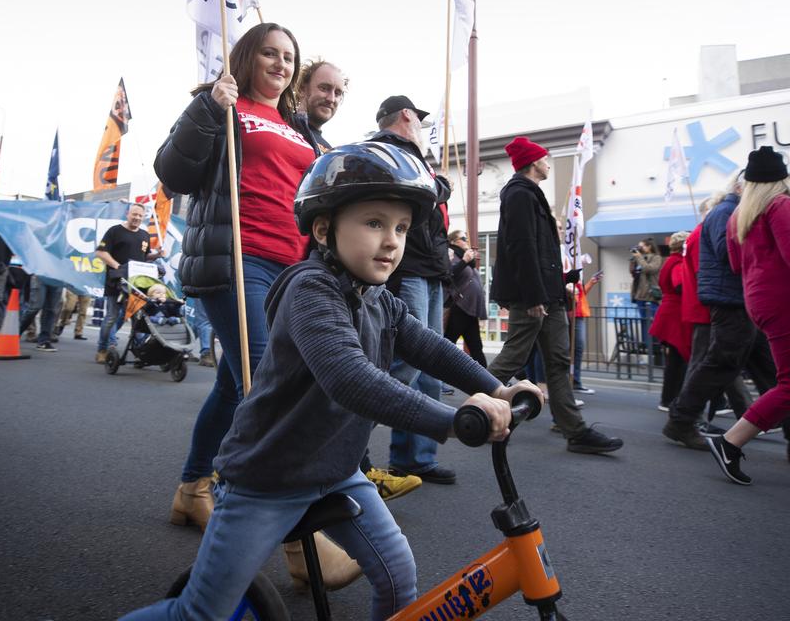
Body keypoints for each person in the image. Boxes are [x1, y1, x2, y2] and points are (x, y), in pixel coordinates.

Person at [119, 142, 543, 621]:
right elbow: (349, 378)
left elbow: (427, 346)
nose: (392, 241)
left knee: (399, 575)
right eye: (374, 223)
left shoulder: (380, 298)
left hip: (337, 472)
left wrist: (496, 388)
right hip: (267, 478)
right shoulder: (310, 288)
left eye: (401, 228)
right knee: (198, 614)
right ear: (324, 229)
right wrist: (453, 421)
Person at [154, 22, 352, 584]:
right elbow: (172, 173)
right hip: (238, 262)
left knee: (232, 382)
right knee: (273, 392)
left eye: (288, 56)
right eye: (269, 52)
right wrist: (209, 110)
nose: (281, 64)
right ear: (246, 57)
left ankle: (193, 488)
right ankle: (301, 545)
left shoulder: (296, 126)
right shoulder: (221, 103)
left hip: (293, 272)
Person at [488, 136, 623, 454]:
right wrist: (535, 295)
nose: (548, 163)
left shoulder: (528, 194)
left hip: (547, 295)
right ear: (534, 162)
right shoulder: (519, 194)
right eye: (545, 159)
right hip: (534, 297)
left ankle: (575, 431)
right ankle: (473, 401)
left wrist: (562, 278)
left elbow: (537, 251)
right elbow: (521, 247)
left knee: (558, 362)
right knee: (514, 357)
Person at [662, 169, 787, 450]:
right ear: (743, 188)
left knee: (769, 370)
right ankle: (681, 420)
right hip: (731, 300)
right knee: (721, 363)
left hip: (742, 299)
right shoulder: (726, 213)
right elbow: (727, 253)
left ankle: (682, 419)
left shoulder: (734, 211)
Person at [369, 95, 458, 485]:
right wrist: (436, 186)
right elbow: (408, 195)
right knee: (403, 365)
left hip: (429, 268)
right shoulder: (389, 150)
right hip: (410, 269)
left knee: (427, 367)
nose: (422, 127)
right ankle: (338, 443)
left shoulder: (412, 156)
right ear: (407, 116)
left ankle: (416, 457)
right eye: (418, 121)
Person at [706, 147, 790, 483]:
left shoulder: (737, 217)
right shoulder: (780, 205)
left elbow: (737, 264)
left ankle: (730, 441)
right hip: (783, 300)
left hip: (759, 301)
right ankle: (730, 442)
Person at [94, 202, 158, 362]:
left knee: (138, 319)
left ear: (143, 218)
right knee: (112, 317)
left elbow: (145, 256)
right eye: (134, 214)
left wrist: (157, 255)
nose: (136, 218)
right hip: (116, 283)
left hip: (137, 285)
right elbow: (101, 252)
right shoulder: (115, 231)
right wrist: (119, 267)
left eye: (140, 216)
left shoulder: (144, 235)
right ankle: (102, 349)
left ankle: (140, 353)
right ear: (128, 214)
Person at [649, 232, 692, 410]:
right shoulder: (678, 263)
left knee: (675, 361)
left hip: (671, 314)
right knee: (677, 361)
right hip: (675, 315)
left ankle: (669, 399)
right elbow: (680, 286)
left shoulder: (671, 261)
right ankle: (670, 400)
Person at [442, 230, 487, 368]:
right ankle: (435, 379)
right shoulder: (451, 255)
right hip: (460, 306)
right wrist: (464, 260)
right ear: (454, 241)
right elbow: (448, 274)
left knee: (476, 347)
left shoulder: (465, 258)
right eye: (463, 238)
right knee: (448, 344)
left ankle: (491, 383)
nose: (467, 240)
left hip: (470, 309)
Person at [295, 58, 347, 151]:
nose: (331, 99)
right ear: (302, 89)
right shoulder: (277, 127)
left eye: (337, 93)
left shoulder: (330, 152)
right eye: (324, 88)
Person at [569, 268, 602, 395]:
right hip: (575, 314)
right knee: (575, 348)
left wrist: (591, 282)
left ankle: (575, 381)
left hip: (578, 313)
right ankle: (574, 381)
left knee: (576, 349)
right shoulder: (571, 272)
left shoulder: (576, 275)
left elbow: (581, 294)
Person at [629, 237, 662, 353]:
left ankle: (657, 347)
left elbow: (649, 269)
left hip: (651, 296)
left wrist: (639, 258)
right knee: (644, 321)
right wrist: (633, 259)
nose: (640, 249)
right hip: (639, 296)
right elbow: (633, 272)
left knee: (653, 322)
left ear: (649, 247)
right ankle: (646, 346)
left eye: (642, 246)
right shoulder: (638, 258)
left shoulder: (656, 258)